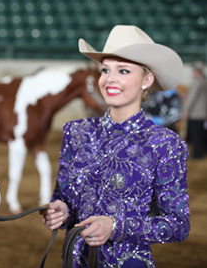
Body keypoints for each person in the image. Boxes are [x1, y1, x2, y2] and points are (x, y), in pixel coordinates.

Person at [40, 25, 190, 267]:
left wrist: (116, 227)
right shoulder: (76, 132)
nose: (109, 79)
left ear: (147, 79)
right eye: (105, 70)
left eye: (123, 70)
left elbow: (178, 225)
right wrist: (61, 211)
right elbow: (63, 199)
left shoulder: (166, 144)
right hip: (73, 261)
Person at [183, 61, 207, 159]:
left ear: (198, 71)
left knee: (196, 135)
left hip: (195, 113)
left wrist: (185, 111)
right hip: (202, 113)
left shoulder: (198, 82)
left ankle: (198, 154)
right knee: (201, 133)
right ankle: (202, 151)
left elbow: (191, 98)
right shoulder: (204, 81)